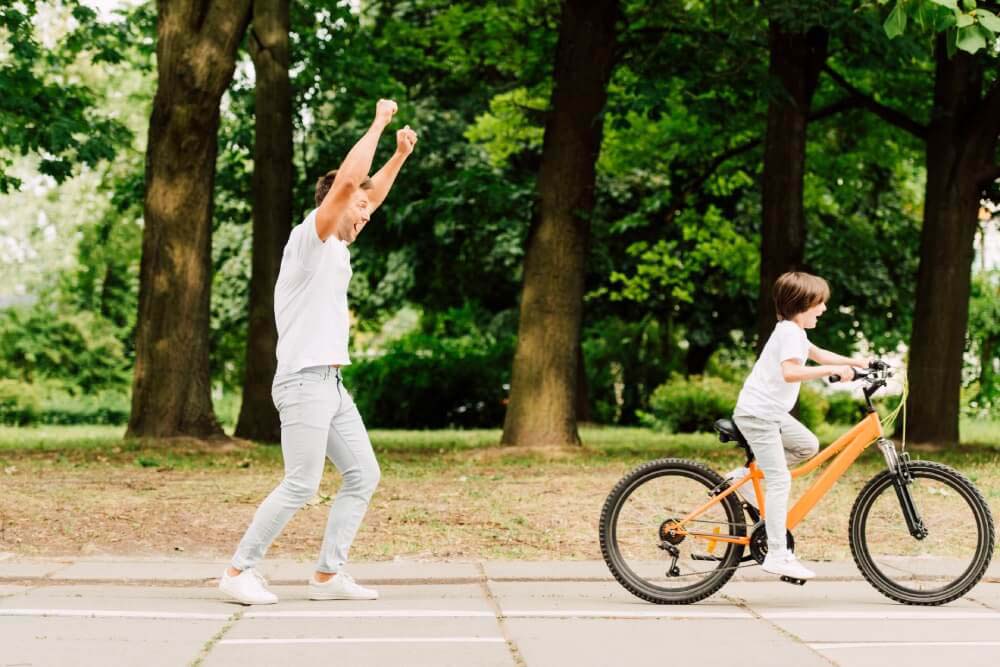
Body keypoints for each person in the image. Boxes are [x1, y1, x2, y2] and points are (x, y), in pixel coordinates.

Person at [219, 99, 418, 605]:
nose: (367, 215)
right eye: (359, 208)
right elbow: (351, 187)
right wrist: (377, 123)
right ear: (334, 202)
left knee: (362, 475)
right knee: (302, 483)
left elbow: (367, 192)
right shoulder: (308, 239)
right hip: (303, 381)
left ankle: (328, 575)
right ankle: (238, 570)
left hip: (329, 383)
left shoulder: (339, 247)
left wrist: (398, 157)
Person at [727, 271, 870, 581]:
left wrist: (856, 363)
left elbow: (817, 354)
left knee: (807, 444)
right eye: (820, 303)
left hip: (770, 413)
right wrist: (833, 371)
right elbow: (791, 372)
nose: (824, 309)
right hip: (759, 415)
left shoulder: (793, 332)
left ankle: (740, 479)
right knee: (780, 480)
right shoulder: (789, 332)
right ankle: (778, 554)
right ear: (803, 304)